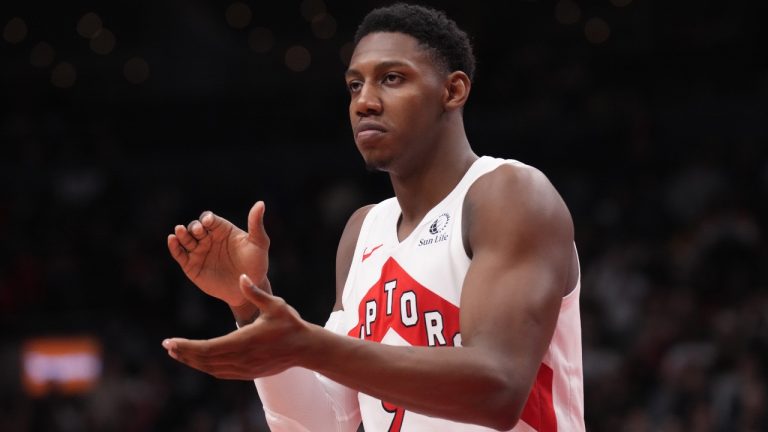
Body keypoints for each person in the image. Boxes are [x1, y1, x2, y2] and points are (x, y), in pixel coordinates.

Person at [162, 3, 585, 431]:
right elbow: (324, 425)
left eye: (392, 78)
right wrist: (249, 303)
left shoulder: (508, 193)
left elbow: (498, 389)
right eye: (353, 86)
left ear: (453, 90)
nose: (364, 102)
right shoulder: (364, 231)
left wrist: (310, 346)